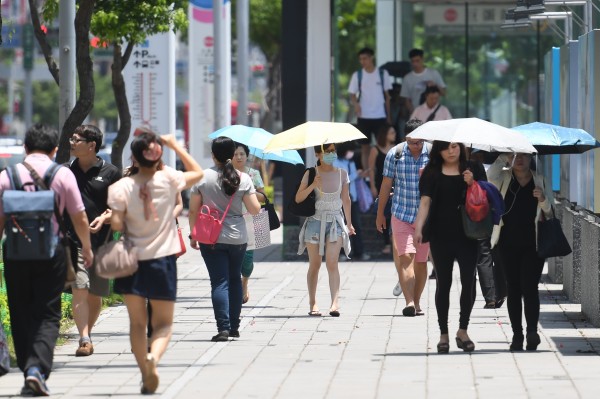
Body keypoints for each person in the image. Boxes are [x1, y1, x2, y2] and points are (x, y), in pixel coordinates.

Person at [0, 124, 93, 396]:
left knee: (20, 312)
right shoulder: (62, 174)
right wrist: (87, 248)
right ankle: (36, 370)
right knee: (48, 313)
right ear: (54, 150)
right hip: (51, 253)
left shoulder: (7, 176)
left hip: (15, 253)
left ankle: (30, 368)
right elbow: (79, 216)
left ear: (25, 148)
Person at [108, 131, 203, 394]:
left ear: (134, 158)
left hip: (130, 261)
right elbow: (198, 172)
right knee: (163, 324)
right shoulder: (169, 179)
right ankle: (154, 358)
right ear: (158, 155)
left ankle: (143, 369)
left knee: (137, 323)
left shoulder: (120, 187)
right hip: (162, 260)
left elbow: (116, 223)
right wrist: (175, 145)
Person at [188, 137, 261, 342]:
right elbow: (255, 209)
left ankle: (223, 328)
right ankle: (235, 327)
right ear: (232, 155)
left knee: (219, 282)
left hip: (210, 236)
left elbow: (193, 210)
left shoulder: (202, 177)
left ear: (213, 155)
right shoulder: (244, 178)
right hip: (238, 237)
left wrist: (194, 234)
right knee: (234, 279)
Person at [414, 141, 483, 353]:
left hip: (469, 235)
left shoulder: (473, 168)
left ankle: (463, 330)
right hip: (440, 235)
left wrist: (472, 183)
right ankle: (443, 333)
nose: (451, 151)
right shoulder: (432, 172)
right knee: (443, 283)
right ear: (438, 151)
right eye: (446, 147)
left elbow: (484, 198)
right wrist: (418, 227)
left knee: (468, 280)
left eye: (454, 146)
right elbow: (425, 202)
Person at [487, 153, 553, 351]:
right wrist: (503, 157)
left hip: (533, 244)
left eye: (524, 155)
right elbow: (490, 176)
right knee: (513, 288)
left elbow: (551, 212)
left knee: (530, 286)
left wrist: (542, 199)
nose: (520, 159)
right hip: (507, 243)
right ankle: (517, 335)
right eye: (516, 156)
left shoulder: (539, 179)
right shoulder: (504, 177)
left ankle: (532, 331)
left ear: (531, 158)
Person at [66, 125, 122, 357]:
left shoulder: (110, 172)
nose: (72, 142)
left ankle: (87, 332)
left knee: (95, 294)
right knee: (80, 286)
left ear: (92, 145)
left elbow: (119, 206)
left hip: (102, 241)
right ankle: (84, 338)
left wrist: (106, 216)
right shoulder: (67, 172)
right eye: (71, 138)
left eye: (76, 139)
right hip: (73, 240)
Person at [376, 119, 430, 316]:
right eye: (412, 142)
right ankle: (408, 302)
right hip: (401, 213)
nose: (416, 146)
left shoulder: (433, 154)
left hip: (426, 218)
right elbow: (385, 185)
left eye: (419, 142)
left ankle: (416, 302)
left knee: (421, 262)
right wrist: (380, 213)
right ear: (406, 138)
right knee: (406, 257)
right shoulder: (395, 154)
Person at [296, 144, 355, 317]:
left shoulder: (342, 173)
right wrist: (312, 184)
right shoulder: (311, 173)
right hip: (314, 222)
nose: (331, 155)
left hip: (336, 221)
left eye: (333, 151)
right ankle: (313, 303)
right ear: (317, 155)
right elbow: (298, 198)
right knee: (314, 264)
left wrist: (349, 223)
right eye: (327, 152)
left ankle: (334, 303)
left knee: (332, 261)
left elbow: (346, 199)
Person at [232, 142, 267, 304]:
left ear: (247, 156)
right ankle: (233, 287)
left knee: (247, 259)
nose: (239, 157)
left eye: (242, 154)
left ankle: (244, 281)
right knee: (232, 257)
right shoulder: (226, 174)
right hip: (231, 220)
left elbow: (263, 198)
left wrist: (249, 188)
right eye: (235, 154)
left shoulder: (253, 174)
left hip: (252, 220)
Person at [347, 47, 393, 170]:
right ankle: (367, 172)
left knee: (382, 145)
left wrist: (389, 117)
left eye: (365, 58)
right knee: (364, 147)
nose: (363, 61)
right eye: (361, 59)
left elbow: (387, 97)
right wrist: (356, 104)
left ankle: (381, 171)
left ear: (371, 57)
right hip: (364, 116)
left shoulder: (383, 74)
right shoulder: (358, 75)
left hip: (380, 115)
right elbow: (352, 94)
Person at [333, 141, 369, 261]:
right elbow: (343, 179)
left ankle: (360, 251)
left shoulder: (351, 162)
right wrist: (356, 174)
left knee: (356, 226)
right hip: (340, 199)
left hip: (353, 198)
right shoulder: (336, 162)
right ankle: (342, 252)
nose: (352, 153)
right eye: (350, 150)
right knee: (342, 226)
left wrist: (359, 174)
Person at [368, 124, 397, 255]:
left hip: (396, 185)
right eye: (391, 132)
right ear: (384, 134)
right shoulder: (375, 149)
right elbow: (371, 169)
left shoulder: (397, 149)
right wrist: (372, 186)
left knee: (393, 213)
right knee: (384, 213)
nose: (394, 135)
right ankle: (387, 242)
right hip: (381, 185)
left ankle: (394, 240)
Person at [400, 48, 447, 115]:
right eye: (413, 61)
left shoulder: (433, 73)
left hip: (434, 113)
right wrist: (414, 114)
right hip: (417, 113)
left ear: (422, 59)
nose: (415, 64)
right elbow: (406, 100)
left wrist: (435, 85)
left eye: (417, 61)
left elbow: (444, 93)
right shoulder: (407, 78)